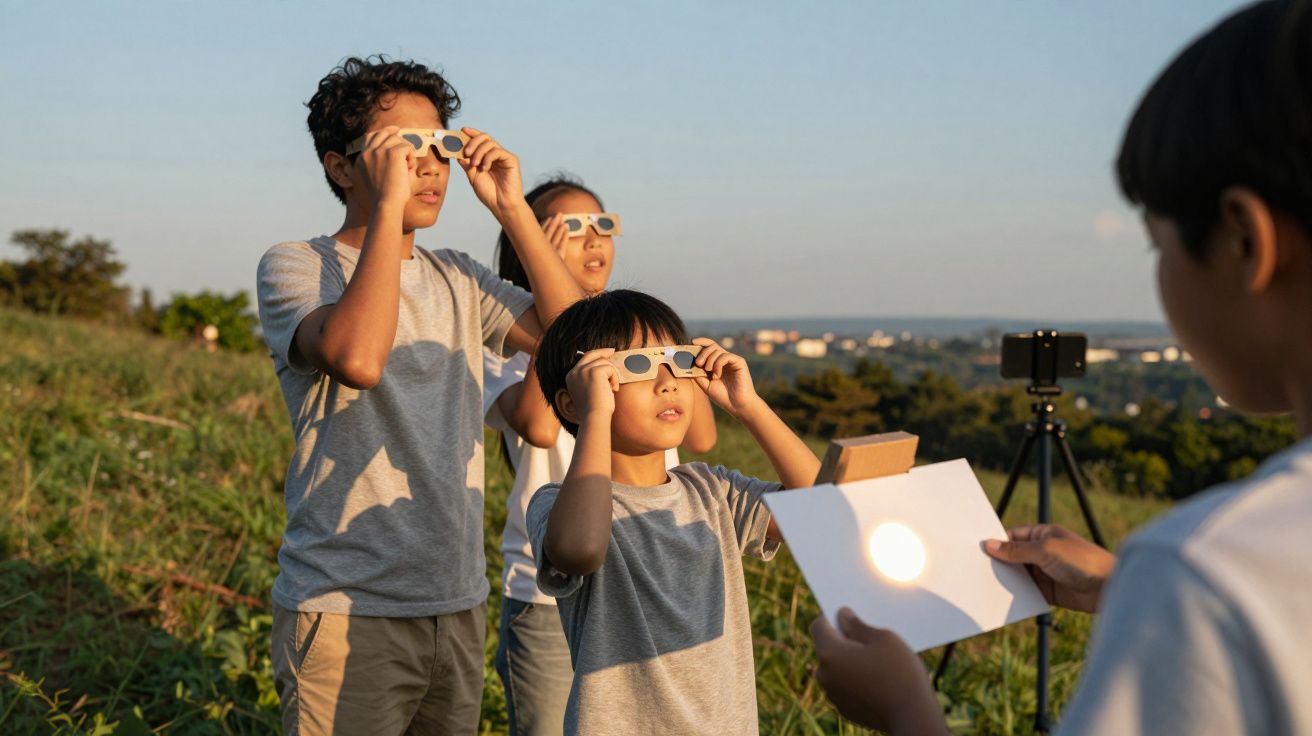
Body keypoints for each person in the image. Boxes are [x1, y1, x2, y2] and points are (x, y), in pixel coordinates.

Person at [810, 1, 1312, 733]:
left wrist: (907, 714)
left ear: (1243, 239)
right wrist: (1121, 586)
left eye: (1156, 244)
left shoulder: (1205, 570)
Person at [255, 56, 582, 734]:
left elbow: (576, 336)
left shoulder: (460, 278)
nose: (429, 167)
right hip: (347, 610)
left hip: (457, 606)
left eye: (441, 146)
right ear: (343, 167)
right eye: (405, 150)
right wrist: (389, 216)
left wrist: (512, 208)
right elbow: (358, 358)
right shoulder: (297, 265)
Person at [525, 289, 821, 735]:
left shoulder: (711, 490)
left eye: (677, 362)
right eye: (638, 366)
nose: (667, 382)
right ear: (576, 400)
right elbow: (581, 550)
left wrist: (749, 407)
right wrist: (596, 417)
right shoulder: (557, 503)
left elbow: (821, 511)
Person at [483, 177, 716, 735]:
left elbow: (702, 436)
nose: (590, 240)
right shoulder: (507, 351)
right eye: (566, 230)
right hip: (547, 590)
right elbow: (540, 427)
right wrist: (567, 328)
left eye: (601, 225)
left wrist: (666, 359)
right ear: (528, 247)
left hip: (649, 577)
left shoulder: (645, 338)